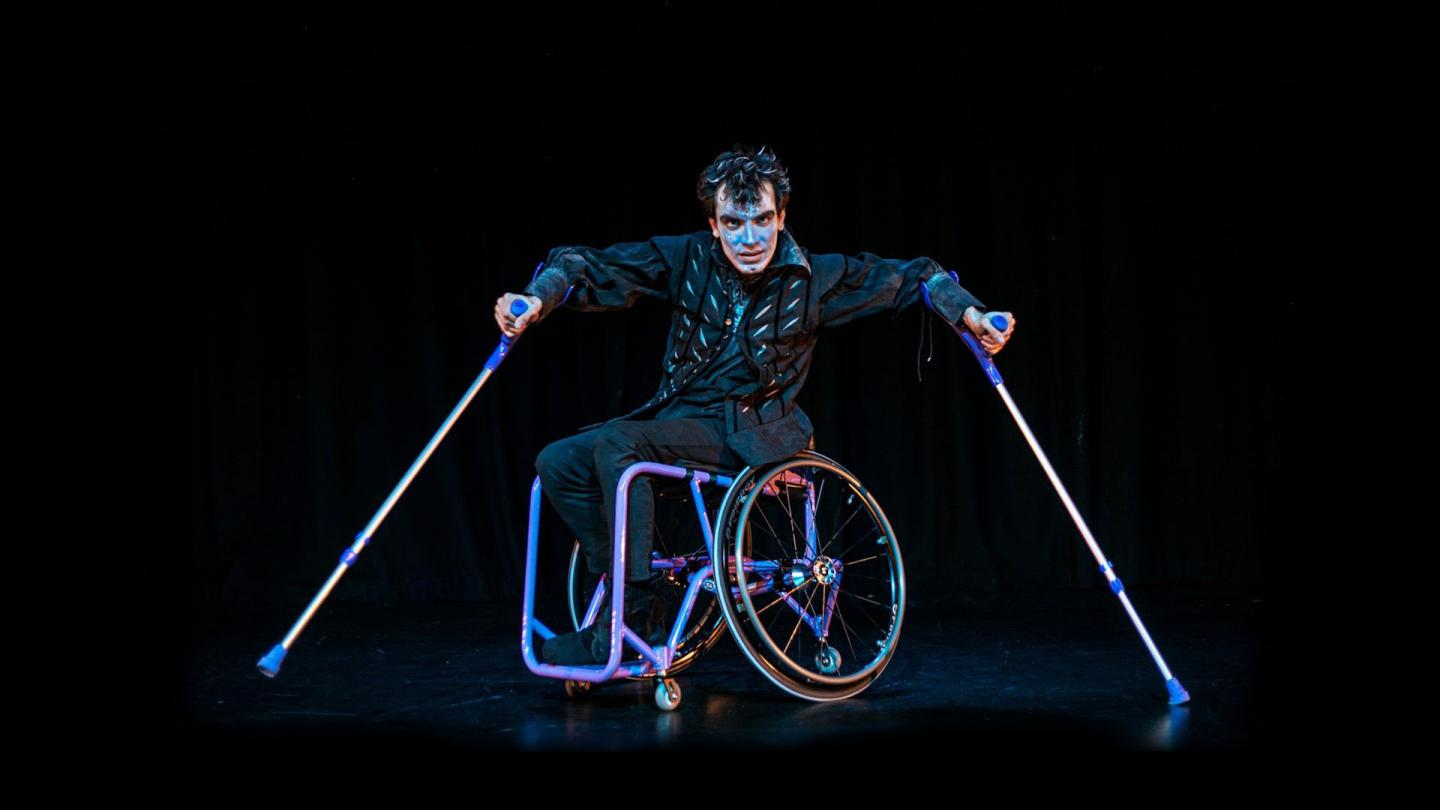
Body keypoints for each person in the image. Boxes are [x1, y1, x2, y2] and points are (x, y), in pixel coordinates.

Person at [494, 146, 1015, 665]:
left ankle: (632, 617)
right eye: (734, 222)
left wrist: (972, 314)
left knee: (618, 444)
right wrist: (537, 299)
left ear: (782, 217)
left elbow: (914, 276)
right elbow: (589, 265)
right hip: (679, 422)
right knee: (557, 461)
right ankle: (634, 579)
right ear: (714, 225)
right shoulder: (687, 257)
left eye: (762, 220)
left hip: (755, 430)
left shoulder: (815, 277)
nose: (750, 238)